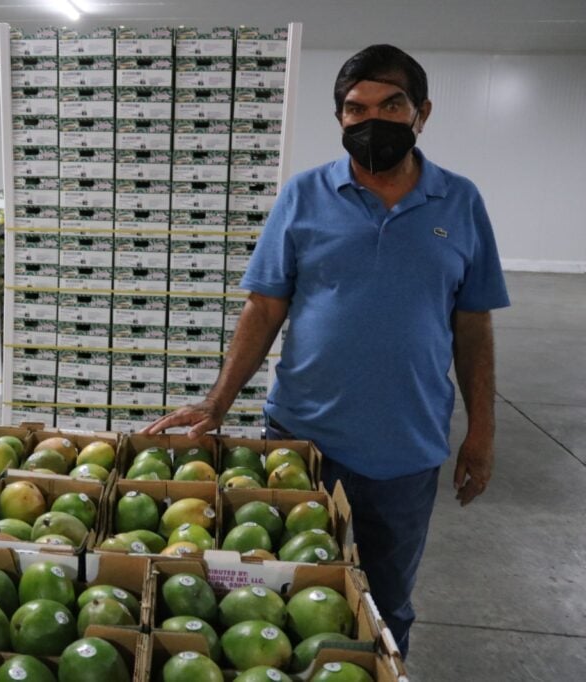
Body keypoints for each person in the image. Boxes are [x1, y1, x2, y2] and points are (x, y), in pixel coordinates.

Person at [144, 44, 509, 657]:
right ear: (339, 118)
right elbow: (264, 308)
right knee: (275, 591)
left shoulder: (461, 201)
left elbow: (473, 326)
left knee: (386, 600)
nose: (372, 120)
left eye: (391, 105)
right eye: (354, 107)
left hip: (406, 448)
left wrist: (482, 432)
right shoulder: (304, 195)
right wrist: (216, 404)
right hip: (302, 442)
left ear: (423, 112)